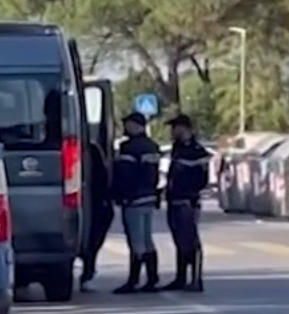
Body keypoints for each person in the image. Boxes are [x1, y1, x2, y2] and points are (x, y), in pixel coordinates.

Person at [111, 113, 161, 293]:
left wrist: (118, 194)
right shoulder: (152, 146)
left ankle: (133, 280)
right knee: (147, 239)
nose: (125, 127)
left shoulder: (129, 148)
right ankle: (152, 278)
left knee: (136, 241)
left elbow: (125, 175)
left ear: (136, 125)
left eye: (128, 124)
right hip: (149, 197)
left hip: (133, 199)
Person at [162, 114, 211, 291]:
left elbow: (200, 179)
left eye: (175, 128)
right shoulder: (178, 148)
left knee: (190, 240)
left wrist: (190, 195)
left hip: (187, 202)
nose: (172, 131)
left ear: (185, 129)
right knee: (179, 240)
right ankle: (181, 277)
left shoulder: (196, 151)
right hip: (175, 200)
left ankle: (196, 279)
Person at [79, 141, 115, 291]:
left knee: (93, 237)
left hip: (95, 202)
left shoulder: (90, 151)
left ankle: (88, 270)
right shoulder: (91, 149)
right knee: (94, 238)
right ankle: (88, 271)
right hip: (97, 202)